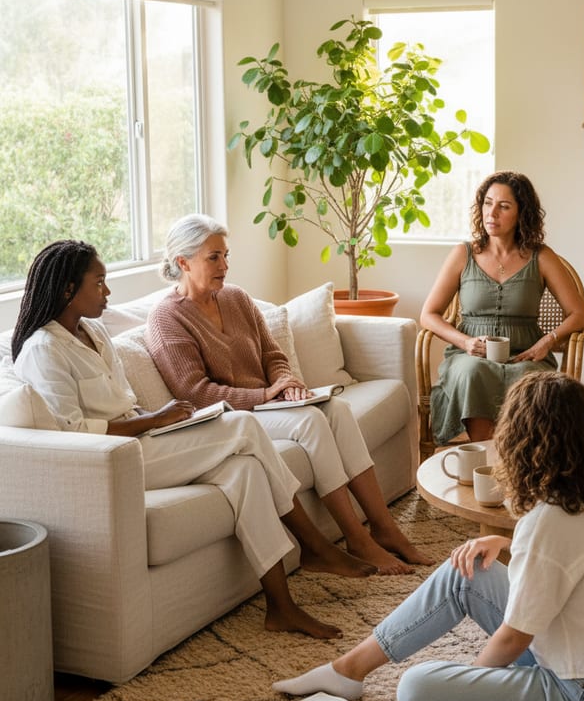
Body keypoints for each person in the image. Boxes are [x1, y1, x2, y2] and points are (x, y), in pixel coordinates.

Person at [11, 240, 383, 641]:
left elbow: (126, 404)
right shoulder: (43, 350)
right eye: (99, 283)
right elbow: (75, 432)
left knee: (245, 470)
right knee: (244, 426)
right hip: (116, 461)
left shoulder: (94, 333)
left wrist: (162, 421)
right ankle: (313, 544)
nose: (108, 292)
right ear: (67, 290)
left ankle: (281, 606)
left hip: (145, 436)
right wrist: (153, 421)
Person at [271, 372, 584, 701]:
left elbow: (514, 636)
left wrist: (469, 690)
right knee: (467, 571)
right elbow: (574, 552)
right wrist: (504, 541)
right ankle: (347, 671)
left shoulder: (549, 522)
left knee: (417, 687)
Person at [145, 213, 433, 576]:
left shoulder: (235, 298)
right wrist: (267, 394)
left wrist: (289, 383)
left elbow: (273, 355)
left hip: (269, 404)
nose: (225, 265)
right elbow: (197, 394)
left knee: (338, 410)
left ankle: (383, 528)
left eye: (226, 255)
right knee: (312, 421)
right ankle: (355, 540)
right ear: (183, 262)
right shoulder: (166, 319)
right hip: (231, 419)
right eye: (213, 258)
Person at [420, 171, 584, 445]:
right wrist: (465, 343)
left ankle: (518, 462)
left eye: (504, 206)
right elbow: (428, 315)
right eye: (488, 203)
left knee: (530, 380)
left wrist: (547, 342)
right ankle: (489, 459)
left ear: (522, 213)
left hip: (526, 355)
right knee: (472, 372)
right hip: (470, 356)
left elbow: (580, 314)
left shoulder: (542, 257)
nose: (492, 213)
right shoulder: (463, 255)